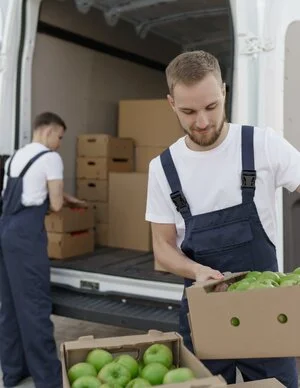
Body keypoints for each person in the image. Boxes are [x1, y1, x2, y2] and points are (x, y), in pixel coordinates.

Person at [145, 50, 300, 387]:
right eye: (188, 111)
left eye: (211, 107)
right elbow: (163, 248)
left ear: (224, 92)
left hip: (266, 312)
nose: (201, 121)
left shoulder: (261, 144)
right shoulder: (163, 167)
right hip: (203, 314)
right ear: (171, 103)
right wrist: (196, 271)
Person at [0, 112, 85, 388]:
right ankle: (48, 380)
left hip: (6, 231)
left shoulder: (15, 157)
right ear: (48, 131)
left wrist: (68, 198)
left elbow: (29, 193)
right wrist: (68, 201)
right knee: (35, 306)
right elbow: (56, 204)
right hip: (26, 237)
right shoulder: (51, 158)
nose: (59, 143)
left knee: (10, 307)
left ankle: (13, 373)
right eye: (59, 137)